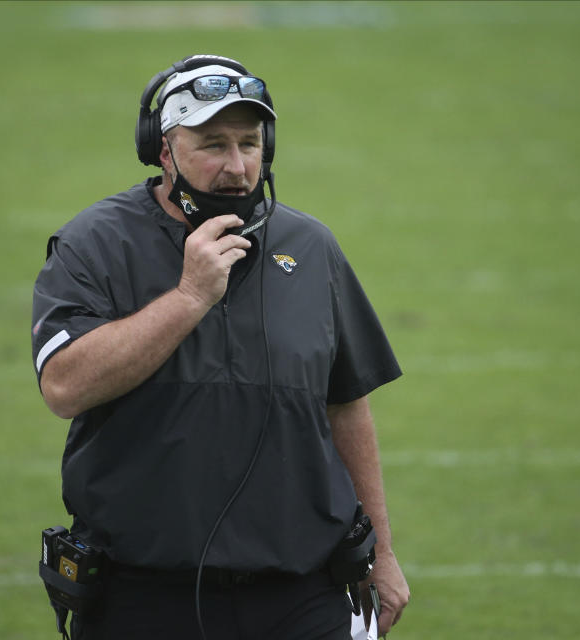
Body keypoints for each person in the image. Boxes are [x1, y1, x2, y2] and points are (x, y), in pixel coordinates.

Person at [31, 54, 410, 639]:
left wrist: (381, 553)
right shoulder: (94, 245)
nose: (236, 167)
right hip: (143, 596)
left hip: (300, 594)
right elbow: (63, 386)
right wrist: (188, 297)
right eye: (212, 145)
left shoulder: (310, 248)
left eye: (249, 144)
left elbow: (346, 402)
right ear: (164, 151)